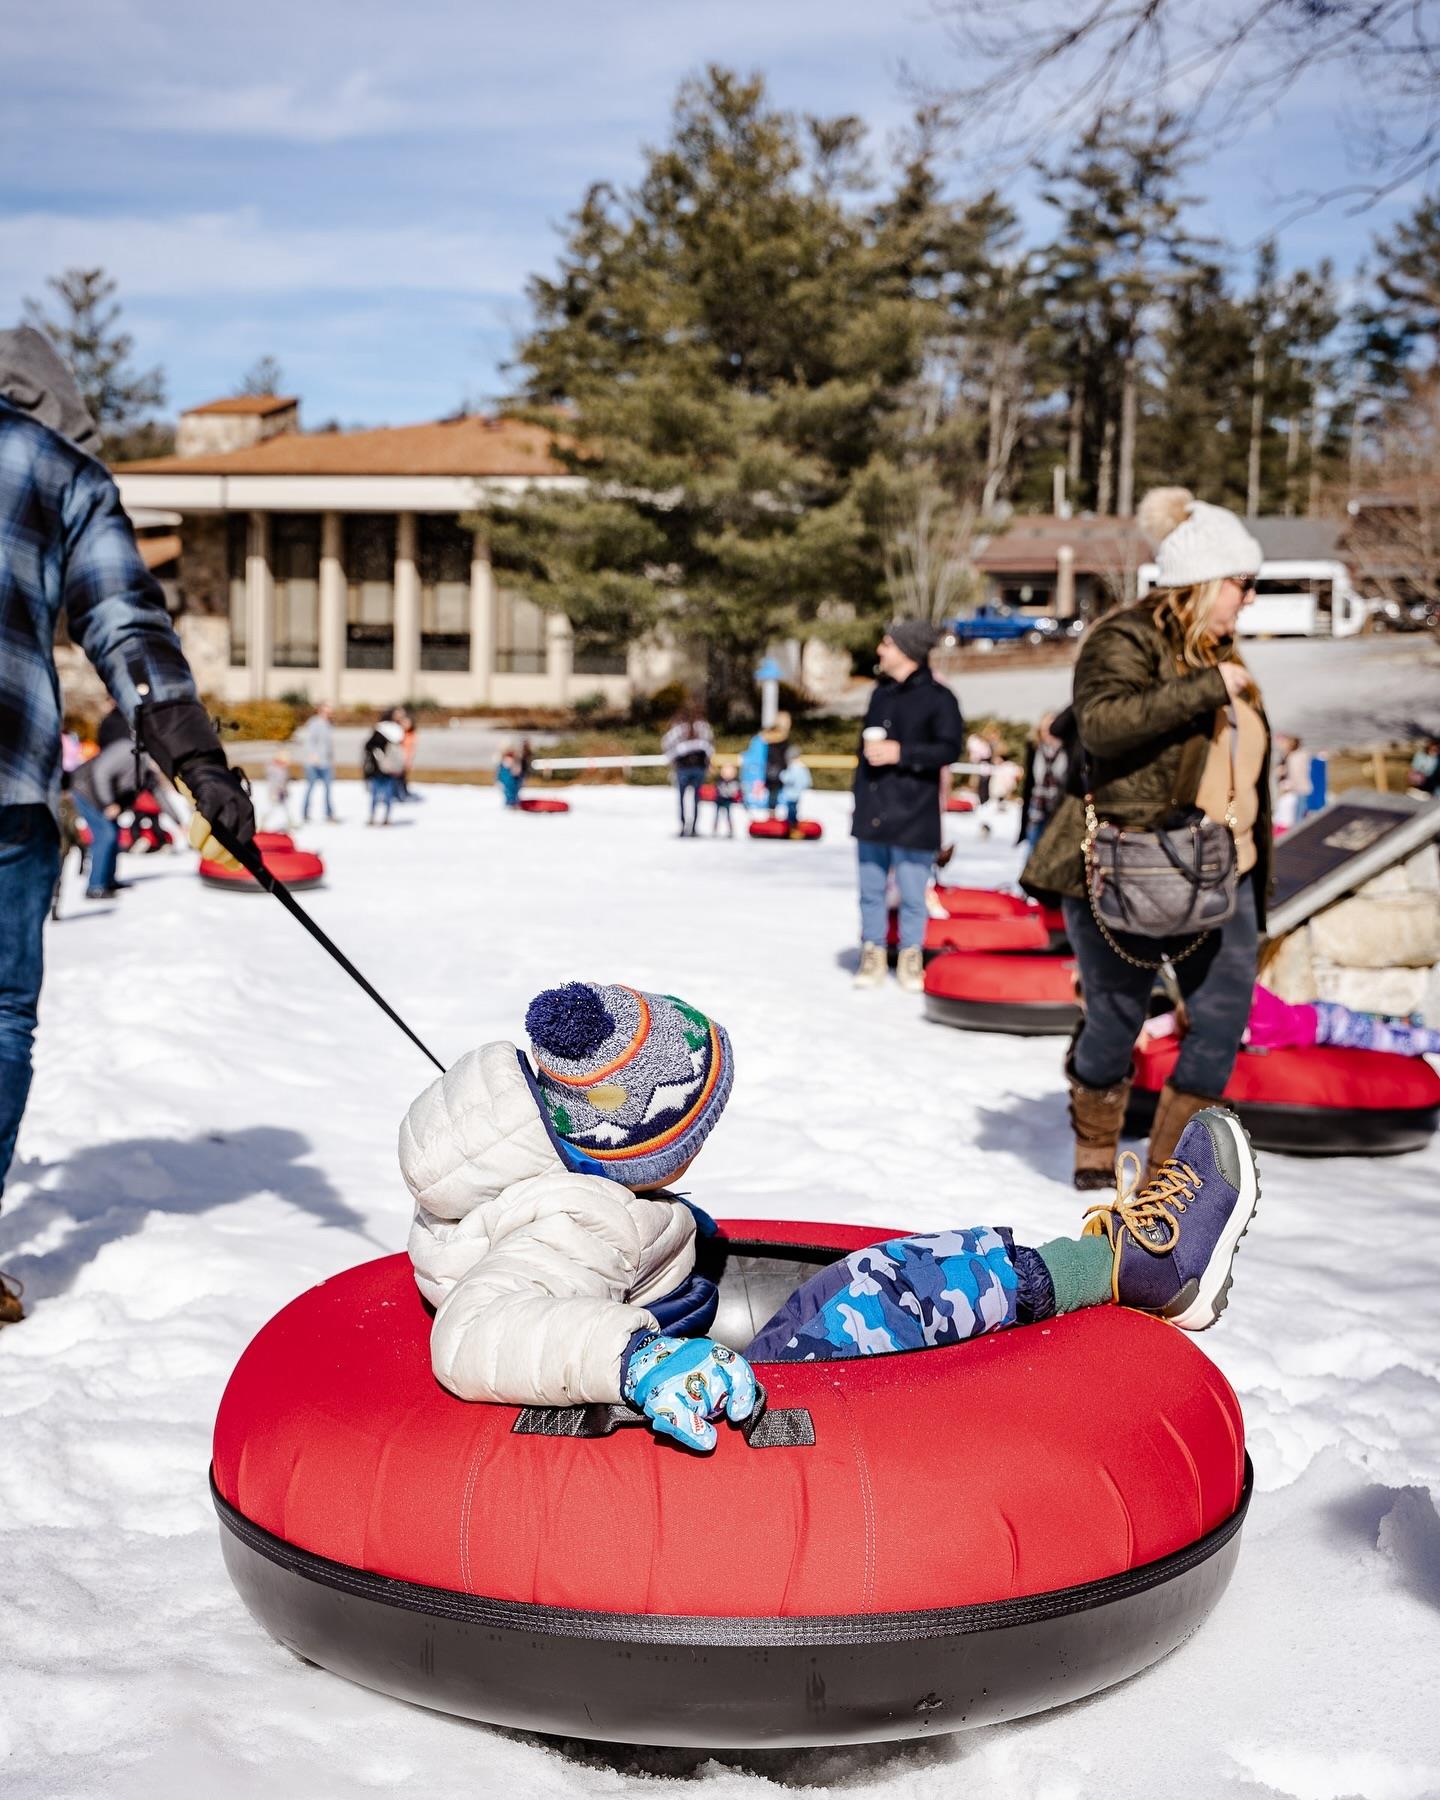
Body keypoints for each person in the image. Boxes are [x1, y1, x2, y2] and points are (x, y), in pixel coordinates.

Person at [399, 979, 1260, 1452]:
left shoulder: (553, 1158)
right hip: (663, 1412)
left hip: (668, 1354)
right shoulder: (574, 1220)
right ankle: (1130, 1269)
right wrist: (637, 1359)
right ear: (651, 1145)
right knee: (880, 1293)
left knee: (862, 1285)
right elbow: (479, 1328)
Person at [0, 325, 255, 1322]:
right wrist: (193, 756)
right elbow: (125, 621)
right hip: (9, 790)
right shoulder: (62, 472)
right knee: (1, 1015)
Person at [1023, 487, 1271, 1189]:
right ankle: (1095, 1146)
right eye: (1241, 584)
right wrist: (1206, 688)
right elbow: (1102, 724)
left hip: (1227, 869)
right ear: (1202, 582)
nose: (1249, 599)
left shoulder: (1222, 650)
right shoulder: (1124, 637)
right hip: (1125, 864)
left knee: (1220, 1025)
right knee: (1115, 1017)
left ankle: (1170, 1180)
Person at [852, 619, 965, 994]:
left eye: (886, 644)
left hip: (915, 812)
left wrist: (903, 753)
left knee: (914, 894)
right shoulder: (879, 694)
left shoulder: (939, 698)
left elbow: (949, 749)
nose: (880, 650)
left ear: (906, 651)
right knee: (870, 891)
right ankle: (872, 952)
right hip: (873, 809)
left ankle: (910, 955)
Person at [68, 733, 145, 899]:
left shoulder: (147, 764)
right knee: (106, 835)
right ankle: (95, 886)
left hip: (101, 794)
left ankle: (108, 880)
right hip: (85, 788)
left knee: (114, 834)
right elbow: (101, 772)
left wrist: (179, 821)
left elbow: (158, 791)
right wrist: (108, 803)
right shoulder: (128, 750)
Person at [1017, 710, 1077, 850]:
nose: (1048, 733)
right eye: (1044, 729)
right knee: (1033, 849)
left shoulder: (1068, 749)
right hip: (1037, 807)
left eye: (1051, 728)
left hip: (1059, 806)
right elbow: (1029, 784)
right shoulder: (1034, 749)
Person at [661, 699, 714, 838]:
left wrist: (674, 759)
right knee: (695, 799)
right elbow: (710, 746)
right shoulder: (703, 727)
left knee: (684, 799)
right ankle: (692, 827)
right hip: (696, 767)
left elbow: (666, 744)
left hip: (685, 768)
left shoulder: (678, 728)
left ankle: (686, 826)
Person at [362, 716, 405, 825]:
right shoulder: (388, 741)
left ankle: (380, 817)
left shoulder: (388, 742)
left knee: (380, 796)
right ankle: (381, 817)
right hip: (382, 773)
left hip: (383, 773)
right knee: (384, 796)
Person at [299, 703, 338, 823]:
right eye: (327, 712)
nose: (329, 714)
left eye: (330, 712)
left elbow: (328, 745)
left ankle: (329, 813)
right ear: (320, 711)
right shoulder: (315, 723)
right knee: (310, 787)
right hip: (314, 763)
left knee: (328, 789)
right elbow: (310, 741)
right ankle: (305, 813)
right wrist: (312, 756)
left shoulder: (328, 725)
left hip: (326, 762)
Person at [777, 752, 812, 830]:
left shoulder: (793, 767)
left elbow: (787, 778)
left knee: (791, 810)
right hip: (797, 793)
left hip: (791, 794)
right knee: (794, 809)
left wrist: (781, 774)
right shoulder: (802, 767)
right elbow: (807, 781)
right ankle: (793, 825)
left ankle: (792, 826)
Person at [263, 751, 292, 830]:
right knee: (271, 808)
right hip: (275, 792)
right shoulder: (275, 770)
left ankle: (290, 822)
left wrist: (285, 791)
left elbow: (284, 782)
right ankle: (263, 822)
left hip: (281, 792)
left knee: (286, 808)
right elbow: (275, 783)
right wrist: (274, 792)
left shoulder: (283, 769)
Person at [712, 763, 742, 836]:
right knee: (717, 815)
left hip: (727, 800)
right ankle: (715, 828)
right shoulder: (720, 781)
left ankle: (730, 829)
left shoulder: (734, 782)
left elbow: (735, 792)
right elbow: (717, 790)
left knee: (728, 815)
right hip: (720, 800)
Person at [496, 744, 523, 809]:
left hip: (512, 781)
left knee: (512, 792)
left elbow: (517, 771)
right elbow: (500, 772)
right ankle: (511, 803)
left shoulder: (514, 761)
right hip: (508, 781)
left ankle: (513, 803)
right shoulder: (504, 761)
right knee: (509, 793)